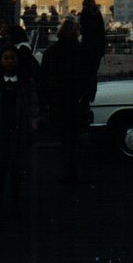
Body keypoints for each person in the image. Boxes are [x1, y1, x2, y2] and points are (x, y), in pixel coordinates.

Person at [0, 44, 38, 210]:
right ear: (0, 60)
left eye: (12, 58)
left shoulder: (26, 81)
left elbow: (33, 103)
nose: (9, 61)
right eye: (6, 58)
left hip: (19, 126)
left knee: (17, 165)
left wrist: (34, 121)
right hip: (0, 127)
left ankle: (15, 198)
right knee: (0, 163)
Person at [41, 20, 88, 184]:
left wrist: (46, 100)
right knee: (74, 138)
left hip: (58, 99)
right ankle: (73, 171)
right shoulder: (81, 52)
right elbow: (88, 77)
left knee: (64, 138)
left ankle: (67, 171)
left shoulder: (51, 52)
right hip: (76, 100)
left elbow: (44, 78)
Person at [78, 0, 106, 102]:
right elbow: (90, 28)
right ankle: (89, 92)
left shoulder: (93, 13)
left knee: (93, 70)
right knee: (91, 70)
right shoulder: (87, 13)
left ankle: (90, 91)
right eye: (93, 0)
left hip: (94, 46)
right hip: (92, 46)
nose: (94, 2)